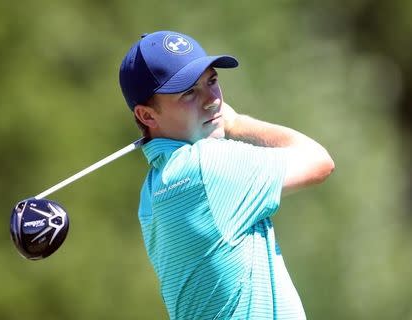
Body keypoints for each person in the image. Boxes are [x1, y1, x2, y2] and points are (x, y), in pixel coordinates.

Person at [119, 30, 334, 320]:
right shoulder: (206, 167)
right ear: (147, 116)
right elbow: (318, 160)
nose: (212, 100)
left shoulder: (153, 189)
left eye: (212, 81)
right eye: (189, 93)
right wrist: (235, 122)